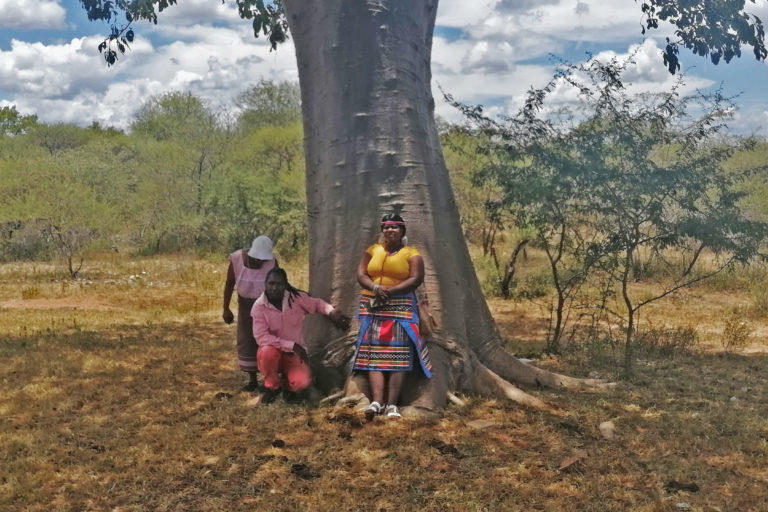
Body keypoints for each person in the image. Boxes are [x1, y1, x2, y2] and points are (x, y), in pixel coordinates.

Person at [353, 214, 432, 420]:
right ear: (382, 230)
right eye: (387, 227)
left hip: (401, 308)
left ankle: (392, 404)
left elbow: (416, 278)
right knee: (374, 355)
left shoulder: (411, 253)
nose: (390, 231)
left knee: (398, 355)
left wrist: (391, 291)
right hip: (373, 308)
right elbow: (361, 274)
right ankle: (377, 402)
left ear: (403, 231)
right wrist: (375, 287)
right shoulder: (373, 250)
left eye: (395, 227)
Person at [251, 267, 351, 403]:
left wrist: (331, 312)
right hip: (273, 354)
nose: (274, 288)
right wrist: (292, 345)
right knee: (267, 351)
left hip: (293, 355)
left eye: (279, 284)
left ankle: (287, 386)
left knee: (302, 382)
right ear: (266, 284)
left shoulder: (295, 299)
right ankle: (272, 386)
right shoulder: (258, 307)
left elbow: (316, 304)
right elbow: (262, 338)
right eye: (271, 283)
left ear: (285, 284)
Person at [222, 235, 277, 392]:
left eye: (262, 260)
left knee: (268, 343)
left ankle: (269, 379)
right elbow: (229, 284)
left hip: (267, 306)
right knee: (247, 340)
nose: (260, 262)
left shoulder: (272, 262)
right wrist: (226, 308)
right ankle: (252, 380)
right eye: (257, 259)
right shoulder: (236, 259)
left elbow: (279, 285)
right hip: (246, 307)